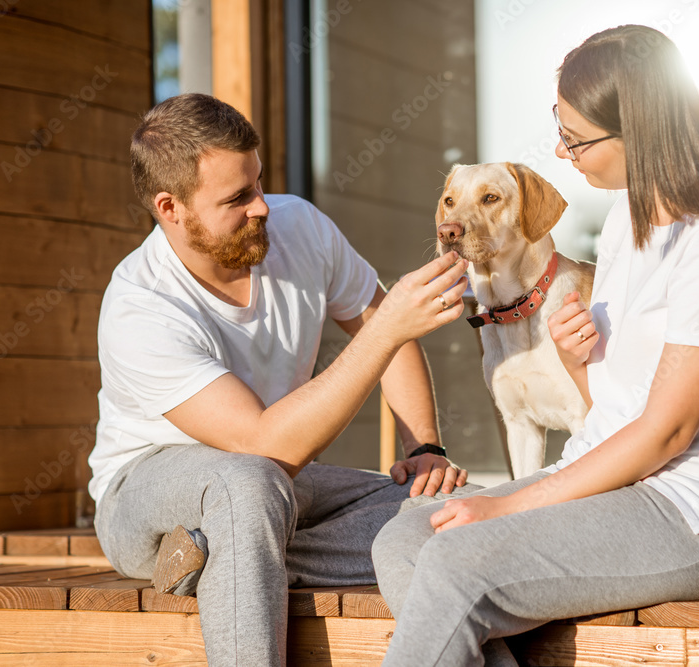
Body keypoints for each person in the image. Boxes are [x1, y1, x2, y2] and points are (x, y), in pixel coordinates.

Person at [371, 24, 699, 666]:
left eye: (576, 139)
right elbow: (614, 412)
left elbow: (666, 434)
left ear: (639, 131)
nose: (563, 155)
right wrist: (574, 359)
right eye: (559, 130)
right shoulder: (630, 216)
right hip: (617, 483)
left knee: (456, 557)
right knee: (401, 537)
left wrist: (506, 505)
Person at [88, 93, 477, 667]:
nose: (262, 207)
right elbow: (266, 443)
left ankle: (211, 555)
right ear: (170, 208)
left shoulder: (300, 226)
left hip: (278, 485)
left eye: (259, 184)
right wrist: (386, 328)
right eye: (237, 198)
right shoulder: (140, 306)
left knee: (461, 511)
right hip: (146, 494)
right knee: (244, 484)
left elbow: (386, 333)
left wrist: (423, 449)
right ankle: (231, 548)